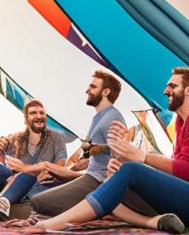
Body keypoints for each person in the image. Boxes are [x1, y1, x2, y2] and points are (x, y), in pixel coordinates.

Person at [20, 67, 189, 235]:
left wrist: (141, 157)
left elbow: (185, 171)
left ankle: (53, 224)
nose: (166, 91)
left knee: (130, 171)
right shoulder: (182, 121)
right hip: (188, 196)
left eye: (172, 86)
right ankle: (154, 222)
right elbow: (175, 171)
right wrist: (123, 165)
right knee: (114, 185)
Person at [27, 71, 128, 217]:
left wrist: (99, 149)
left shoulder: (113, 118)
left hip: (98, 181)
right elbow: (86, 155)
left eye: (93, 87)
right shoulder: (97, 118)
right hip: (88, 175)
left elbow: (121, 153)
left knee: (38, 201)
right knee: (37, 186)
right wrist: (64, 172)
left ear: (105, 92)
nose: (87, 90)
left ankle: (94, 208)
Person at [0, 100, 69, 220]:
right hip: (11, 181)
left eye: (42, 113)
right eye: (33, 113)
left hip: (37, 183)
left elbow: (60, 167)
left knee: (25, 176)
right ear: (26, 119)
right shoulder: (16, 138)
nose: (39, 116)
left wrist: (32, 171)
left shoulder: (57, 139)